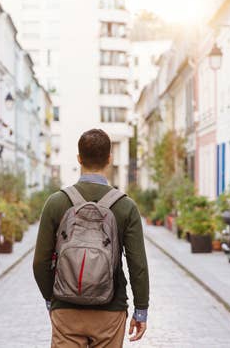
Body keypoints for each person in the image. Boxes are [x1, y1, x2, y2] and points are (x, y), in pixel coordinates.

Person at [33, 128, 149, 347]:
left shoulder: (56, 203)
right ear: (109, 159)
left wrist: (52, 300)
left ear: (79, 158)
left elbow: (40, 262)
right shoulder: (125, 206)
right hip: (110, 310)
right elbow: (138, 265)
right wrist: (141, 310)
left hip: (66, 309)